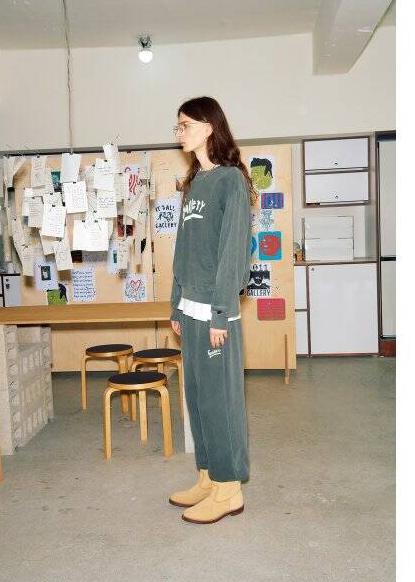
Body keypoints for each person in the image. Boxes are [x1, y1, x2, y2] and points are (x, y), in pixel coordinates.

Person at [169, 96, 258, 524]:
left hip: (215, 312)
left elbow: (233, 252)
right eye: (177, 126)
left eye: (184, 125)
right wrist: (176, 304)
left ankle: (228, 490)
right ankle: (207, 477)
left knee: (221, 402)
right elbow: (183, 250)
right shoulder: (194, 184)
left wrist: (221, 312)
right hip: (190, 309)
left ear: (208, 127)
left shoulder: (230, 181)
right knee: (198, 399)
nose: (179, 133)